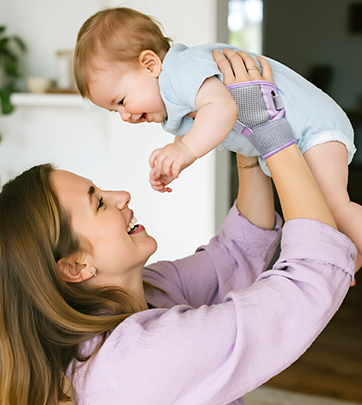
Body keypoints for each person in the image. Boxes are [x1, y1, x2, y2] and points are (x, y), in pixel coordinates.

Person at [0, 51, 356, 405]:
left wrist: (247, 146)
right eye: (98, 202)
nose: (121, 196)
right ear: (76, 265)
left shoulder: (146, 293)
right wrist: (270, 128)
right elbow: (308, 281)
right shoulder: (136, 362)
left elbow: (235, 252)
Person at [73, 6, 362, 277]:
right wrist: (175, 158)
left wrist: (185, 150)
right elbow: (199, 122)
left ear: (150, 64)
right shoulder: (177, 92)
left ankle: (350, 251)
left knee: (333, 206)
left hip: (313, 129)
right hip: (301, 134)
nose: (125, 116)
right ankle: (349, 255)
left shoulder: (181, 71)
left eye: (122, 101)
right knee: (318, 213)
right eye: (116, 111)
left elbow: (221, 108)